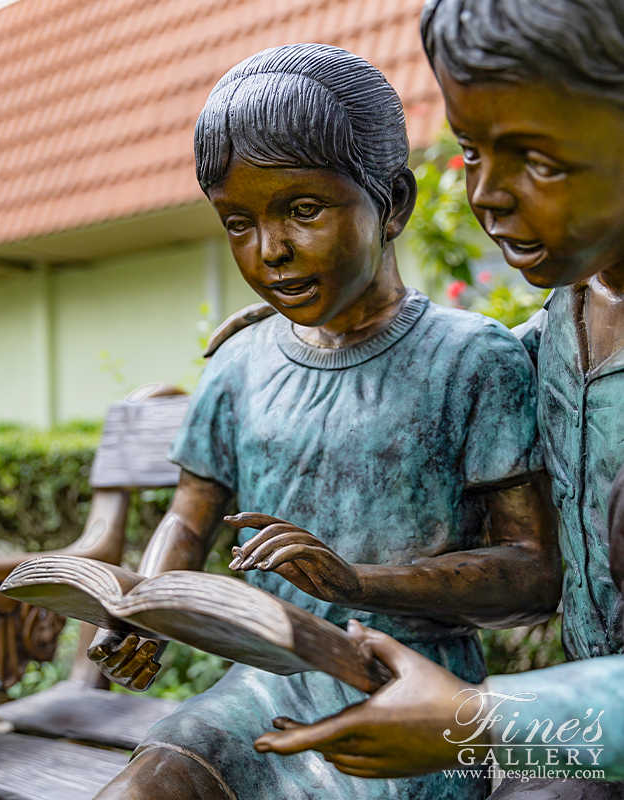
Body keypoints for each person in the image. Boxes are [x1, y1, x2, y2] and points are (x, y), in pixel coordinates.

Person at [89, 43, 560, 800]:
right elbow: (187, 518)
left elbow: (534, 576)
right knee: (146, 788)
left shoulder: (471, 360)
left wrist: (356, 582)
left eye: (303, 210)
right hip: (256, 696)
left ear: (394, 204)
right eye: (237, 222)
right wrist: (142, 605)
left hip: (410, 700)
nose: (270, 251)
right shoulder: (240, 365)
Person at [253, 0, 624, 793]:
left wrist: (478, 720)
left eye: (539, 160)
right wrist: (331, 315)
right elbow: (459, 355)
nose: (487, 193)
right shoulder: (567, 319)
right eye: (471, 151)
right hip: (581, 738)